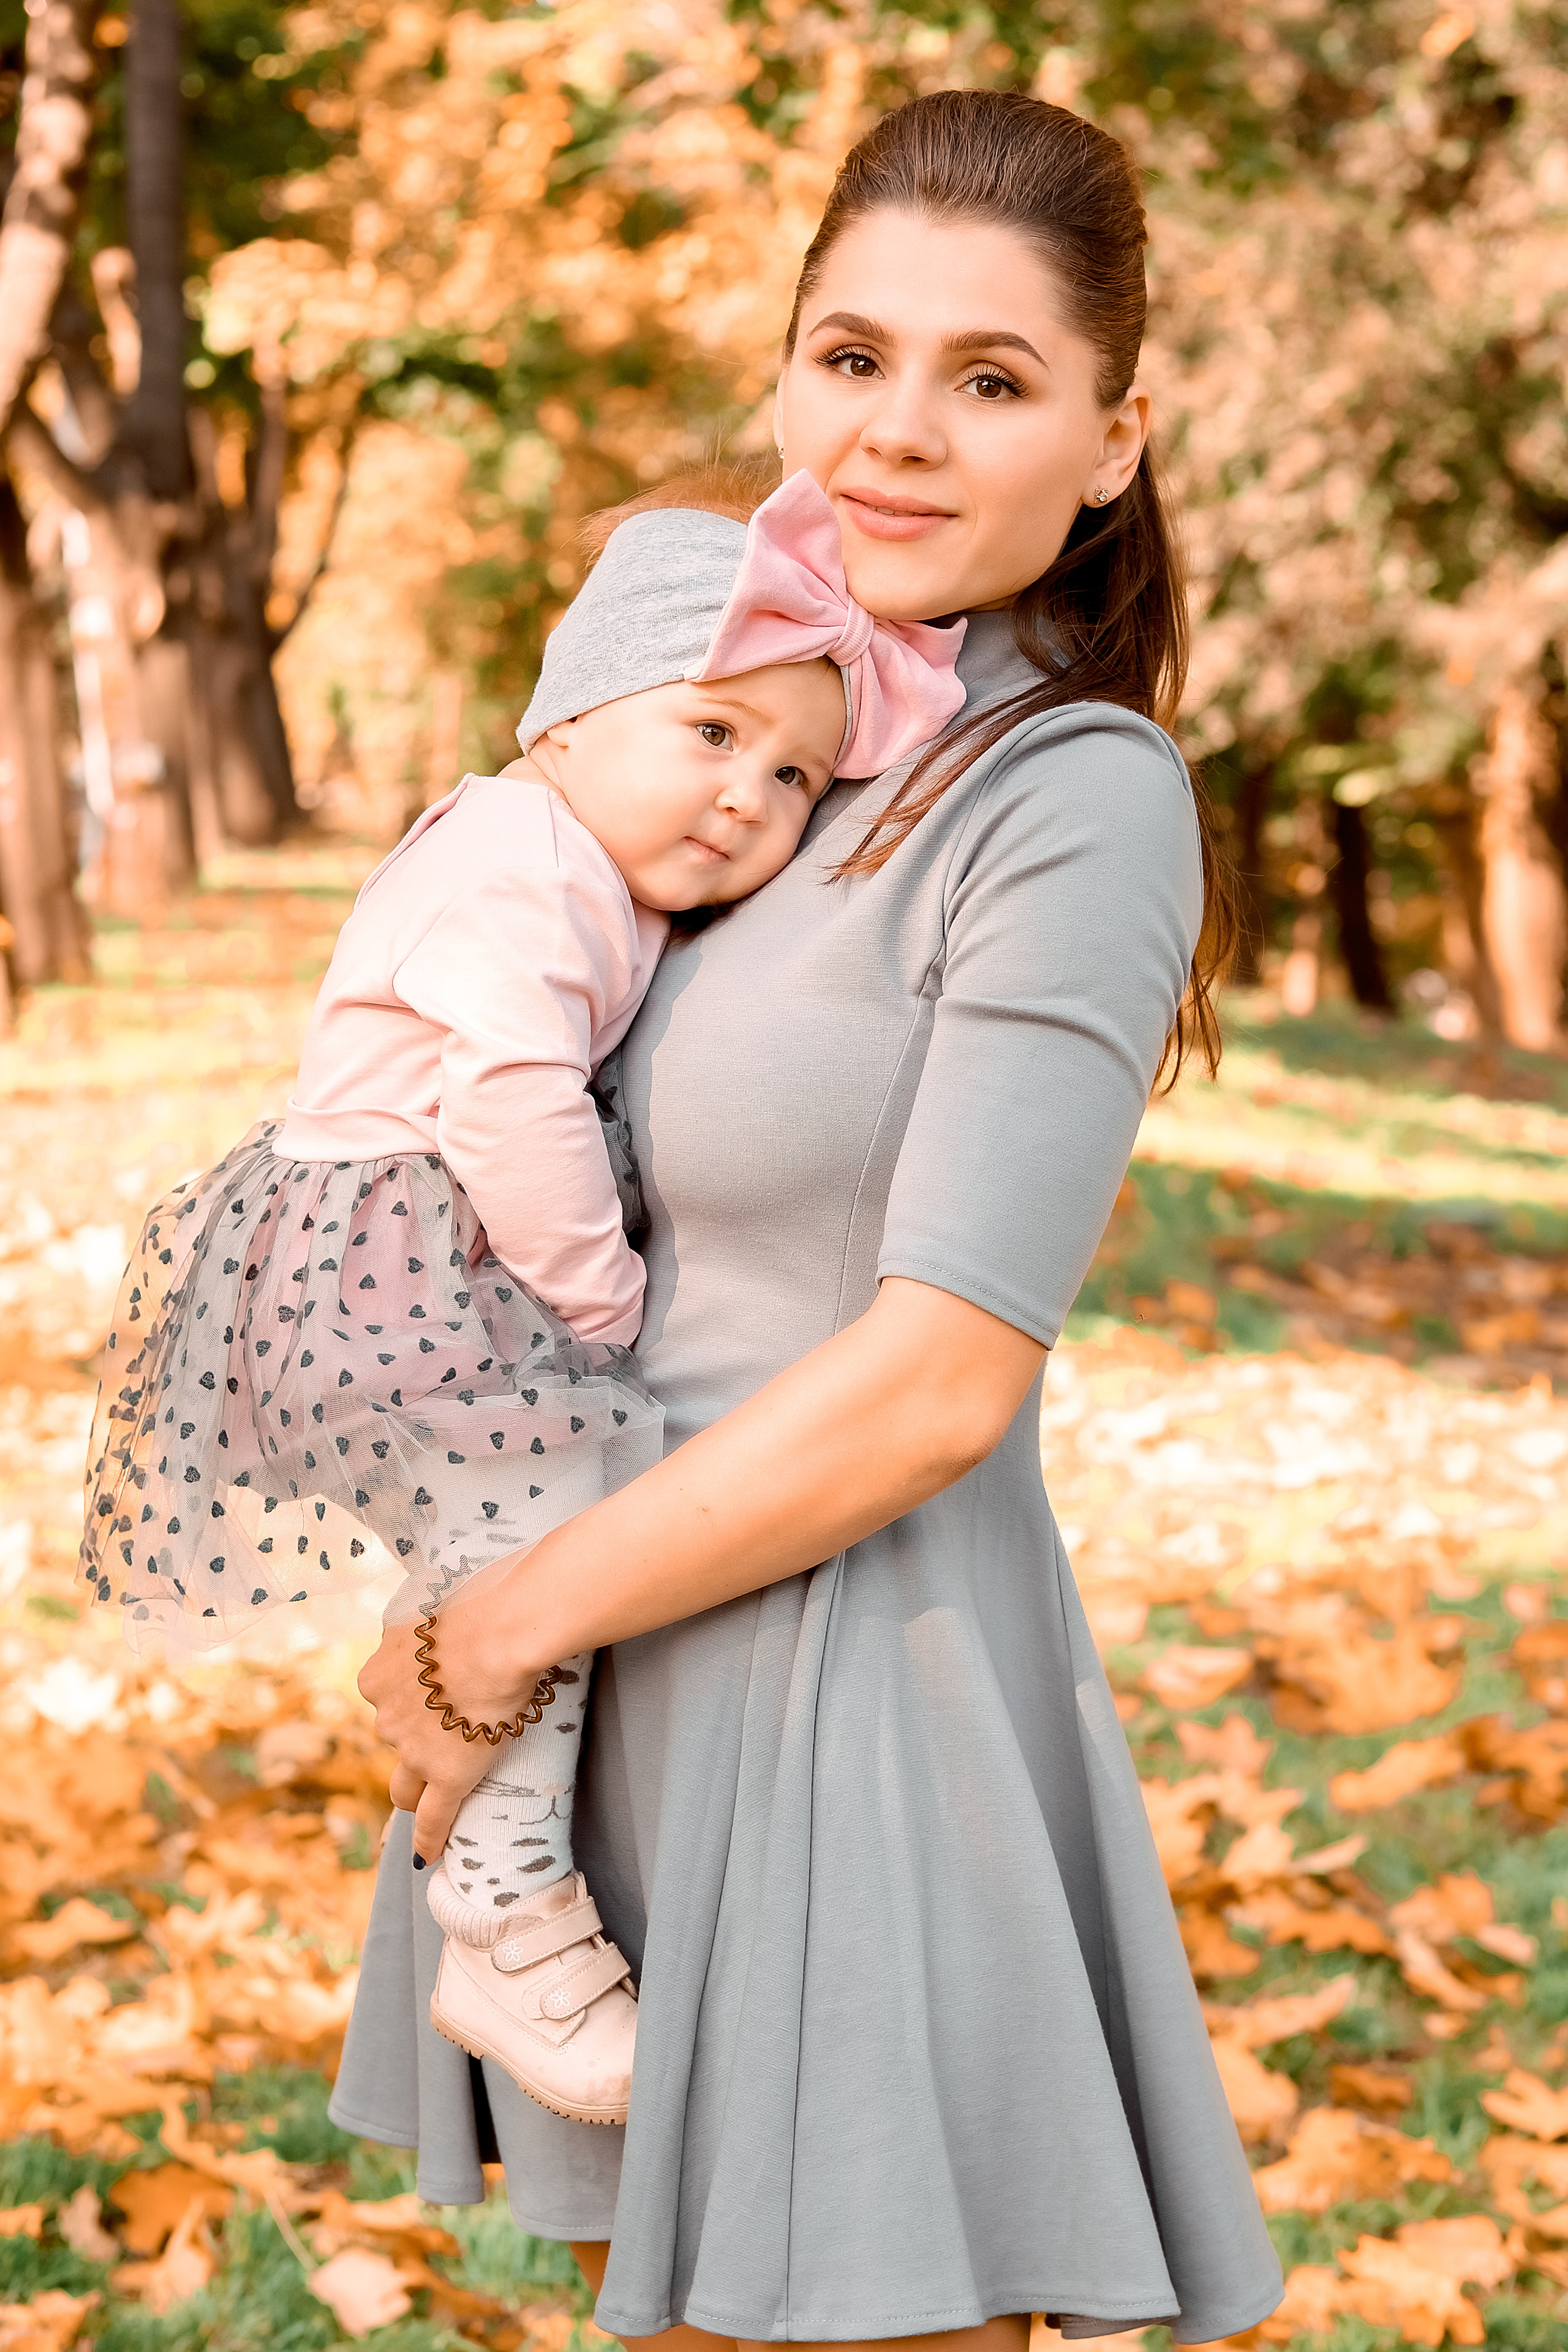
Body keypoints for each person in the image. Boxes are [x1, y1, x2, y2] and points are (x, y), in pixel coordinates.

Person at [342, 88, 1286, 2351]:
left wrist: (494, 1638)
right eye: (851, 356)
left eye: (993, 378)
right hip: (605, 1680)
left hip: (851, 1684)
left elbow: (941, 1377)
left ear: (1115, 441)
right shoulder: (752, 748)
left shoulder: (1072, 795)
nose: (897, 432)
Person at [78, 468, 964, 2129]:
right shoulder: (523, 867)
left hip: (394, 1262)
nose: (746, 797)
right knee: (543, 1525)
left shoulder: (569, 857)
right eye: (711, 733)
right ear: (566, 719)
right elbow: (509, 1102)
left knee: (505, 1538)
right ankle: (506, 1914)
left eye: (792, 775)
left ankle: (489, 1782)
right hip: (393, 1262)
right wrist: (603, 1304)